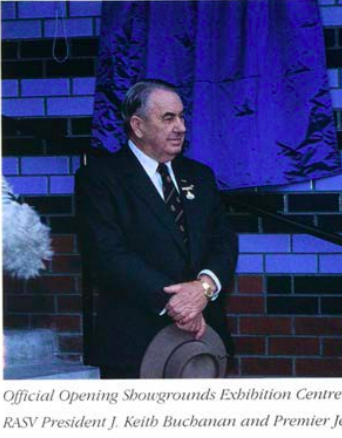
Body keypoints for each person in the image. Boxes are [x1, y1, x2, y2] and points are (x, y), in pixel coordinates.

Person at [76, 79, 238, 379]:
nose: (181, 127)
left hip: (203, 340)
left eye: (181, 116)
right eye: (168, 118)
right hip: (135, 341)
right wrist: (178, 303)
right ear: (137, 126)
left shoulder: (200, 175)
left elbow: (224, 240)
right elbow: (106, 255)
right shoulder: (99, 178)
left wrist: (204, 288)